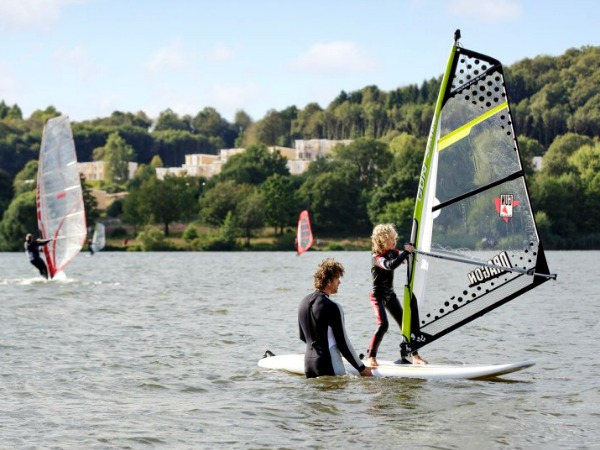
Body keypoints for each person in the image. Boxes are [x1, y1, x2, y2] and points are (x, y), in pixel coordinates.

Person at [298, 258, 373, 378]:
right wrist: (361, 368)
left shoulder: (304, 302)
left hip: (309, 365)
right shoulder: (333, 307)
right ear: (328, 281)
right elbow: (343, 343)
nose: (339, 282)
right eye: (337, 278)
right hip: (329, 365)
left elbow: (303, 337)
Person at [366, 224, 428, 367]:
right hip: (378, 296)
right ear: (381, 241)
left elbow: (405, 258)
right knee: (383, 324)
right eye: (390, 239)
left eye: (395, 238)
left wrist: (411, 251)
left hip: (390, 295)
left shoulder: (392, 252)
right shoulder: (377, 258)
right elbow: (390, 265)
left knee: (405, 325)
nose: (394, 241)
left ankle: (415, 357)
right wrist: (405, 253)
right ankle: (371, 357)